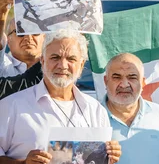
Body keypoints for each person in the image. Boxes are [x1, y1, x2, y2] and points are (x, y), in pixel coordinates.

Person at [0, 28, 121, 163]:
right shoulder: (11, 105)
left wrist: (110, 155)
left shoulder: (96, 110)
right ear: (43, 61)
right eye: (55, 57)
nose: (62, 65)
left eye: (71, 59)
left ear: (81, 65)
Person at [102, 52, 159, 164]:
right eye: (117, 77)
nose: (124, 84)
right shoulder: (90, 117)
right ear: (106, 81)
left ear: (142, 82)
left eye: (132, 77)